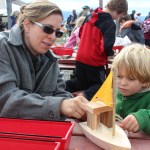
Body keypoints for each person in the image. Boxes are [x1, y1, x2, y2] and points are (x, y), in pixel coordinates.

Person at [0, 1, 88, 120]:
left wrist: (77, 106)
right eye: (47, 29)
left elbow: (60, 94)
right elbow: (6, 100)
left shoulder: (50, 59)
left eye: (58, 32)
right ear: (27, 25)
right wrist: (60, 105)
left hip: (39, 134)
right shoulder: (3, 47)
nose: (52, 37)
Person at [65, 0, 128, 100]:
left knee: (80, 83)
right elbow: (107, 46)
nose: (118, 18)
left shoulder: (90, 16)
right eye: (119, 16)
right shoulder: (109, 23)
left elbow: (80, 33)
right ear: (117, 11)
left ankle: (61, 87)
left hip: (80, 57)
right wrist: (110, 54)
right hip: (95, 61)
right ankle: (84, 97)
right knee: (101, 85)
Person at [112, 44, 150, 134]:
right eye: (119, 76)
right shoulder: (116, 91)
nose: (123, 83)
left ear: (145, 81)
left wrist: (143, 118)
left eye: (131, 78)